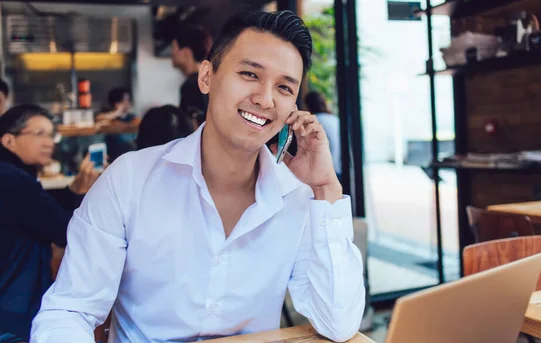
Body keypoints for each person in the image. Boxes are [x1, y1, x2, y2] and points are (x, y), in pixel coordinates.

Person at [31, 10, 365, 343]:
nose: (265, 99)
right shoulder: (128, 181)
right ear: (206, 77)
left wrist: (325, 188)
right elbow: (70, 311)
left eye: (284, 87)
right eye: (249, 74)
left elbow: (337, 323)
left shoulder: (298, 198)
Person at [0, 104, 100, 342]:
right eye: (39, 134)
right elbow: (66, 230)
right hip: (12, 311)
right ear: (9, 141)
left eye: (50, 134)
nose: (49, 143)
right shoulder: (14, 180)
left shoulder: (11, 175)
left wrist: (74, 190)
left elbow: (37, 212)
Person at [171, 25, 212, 128]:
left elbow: (194, 127)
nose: (172, 54)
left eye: (174, 49)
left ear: (186, 53)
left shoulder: (192, 85)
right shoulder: (209, 80)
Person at [304, 91, 341, 180]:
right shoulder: (335, 119)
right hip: (340, 168)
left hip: (327, 171)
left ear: (308, 105)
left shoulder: (313, 122)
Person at [96, 87, 139, 162]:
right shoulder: (109, 118)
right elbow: (98, 119)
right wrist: (117, 112)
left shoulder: (132, 117)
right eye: (124, 100)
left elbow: (138, 124)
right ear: (116, 103)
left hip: (130, 156)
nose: (127, 103)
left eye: (128, 100)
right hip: (113, 158)